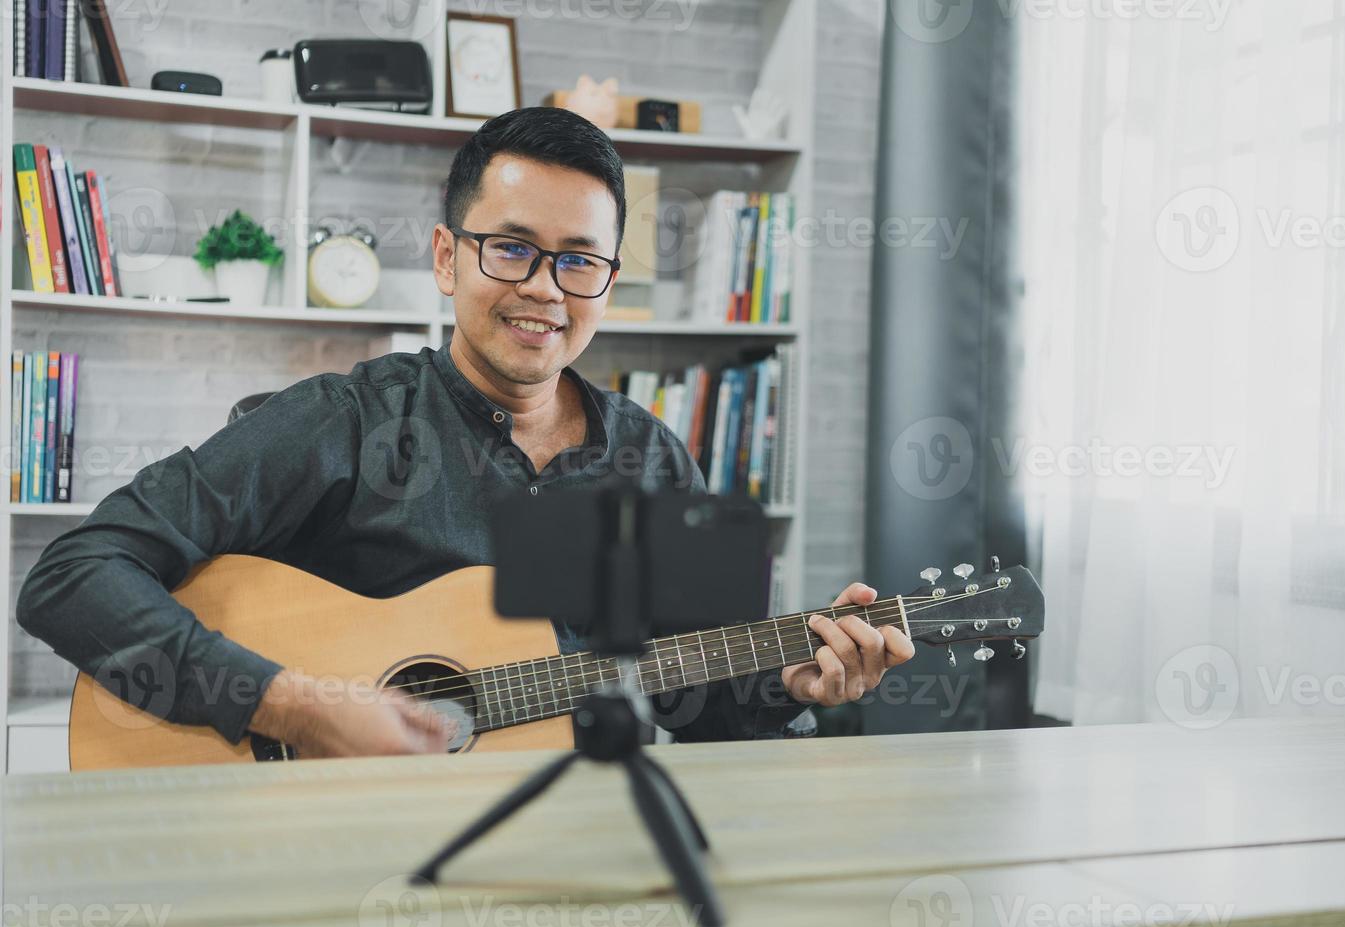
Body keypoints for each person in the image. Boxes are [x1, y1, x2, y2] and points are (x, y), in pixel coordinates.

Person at [16, 107, 915, 760]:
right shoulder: (341, 421)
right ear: (449, 258)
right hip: (327, 847)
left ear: (607, 283)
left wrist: (790, 685)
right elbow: (71, 576)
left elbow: (697, 704)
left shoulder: (651, 463)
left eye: (580, 261)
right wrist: (293, 706)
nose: (545, 290)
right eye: (512, 248)